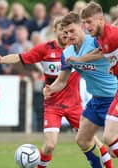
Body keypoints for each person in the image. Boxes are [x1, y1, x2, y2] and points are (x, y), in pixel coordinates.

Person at [0, 16, 113, 168]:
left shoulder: (76, 49)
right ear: (55, 31)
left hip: (74, 104)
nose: (65, 34)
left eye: (68, 31)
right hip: (53, 105)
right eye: (62, 30)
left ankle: (107, 165)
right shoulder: (45, 49)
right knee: (49, 145)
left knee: (91, 139)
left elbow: (102, 47)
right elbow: (21, 57)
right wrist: (2, 60)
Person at [43, 12, 117, 168]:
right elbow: (61, 81)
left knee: (111, 145)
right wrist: (50, 89)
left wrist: (80, 60)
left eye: (72, 31)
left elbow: (102, 50)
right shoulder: (67, 54)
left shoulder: (95, 41)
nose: (69, 35)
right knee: (82, 140)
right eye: (66, 32)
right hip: (96, 100)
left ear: (82, 27)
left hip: (113, 97)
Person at [67, 1, 118, 158]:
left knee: (109, 139)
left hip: (110, 94)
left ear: (101, 19)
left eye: (89, 22)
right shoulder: (101, 38)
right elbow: (101, 51)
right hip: (109, 95)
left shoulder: (113, 35)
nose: (87, 26)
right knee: (110, 145)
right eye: (84, 23)